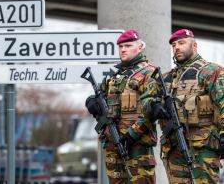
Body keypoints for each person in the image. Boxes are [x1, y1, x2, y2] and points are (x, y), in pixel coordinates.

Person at [86, 30, 162, 184]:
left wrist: (132, 135)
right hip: (112, 143)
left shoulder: (149, 73)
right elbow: (102, 99)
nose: (123, 50)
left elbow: (150, 111)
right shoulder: (116, 76)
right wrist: (91, 102)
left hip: (137, 145)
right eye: (120, 46)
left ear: (140, 47)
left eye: (128, 45)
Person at [159, 29, 224, 183]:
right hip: (173, 146)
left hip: (202, 146)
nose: (177, 48)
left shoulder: (211, 71)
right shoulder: (166, 78)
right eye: (174, 45)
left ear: (194, 45)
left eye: (181, 43)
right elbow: (147, 102)